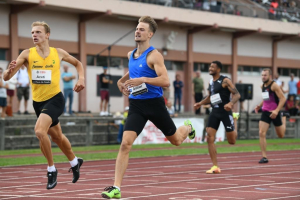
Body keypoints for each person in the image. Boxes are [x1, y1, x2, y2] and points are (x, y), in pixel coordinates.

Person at [101, 16, 195, 199]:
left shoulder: (155, 55)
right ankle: (116, 188)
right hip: (136, 105)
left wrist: (144, 79)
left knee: (176, 140)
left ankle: (188, 127)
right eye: (137, 28)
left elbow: (165, 81)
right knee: (125, 143)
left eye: (142, 29)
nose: (137, 31)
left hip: (155, 105)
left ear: (150, 34)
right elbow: (134, 70)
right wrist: (121, 82)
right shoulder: (131, 55)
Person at [3, 21, 85, 190]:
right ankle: (75, 161)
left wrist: (82, 78)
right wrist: (8, 71)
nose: (35, 35)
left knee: (40, 131)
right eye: (33, 32)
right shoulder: (26, 54)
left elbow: (78, 64)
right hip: (38, 103)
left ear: (47, 35)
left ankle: (51, 169)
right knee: (57, 137)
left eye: (38, 32)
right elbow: (6, 77)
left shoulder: (58, 52)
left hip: (55, 99)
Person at [194, 61, 240, 174]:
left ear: (218, 69)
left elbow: (237, 94)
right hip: (214, 111)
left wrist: (230, 104)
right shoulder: (211, 82)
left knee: (232, 141)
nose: (210, 68)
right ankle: (215, 166)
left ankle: (234, 119)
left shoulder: (225, 80)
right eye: (210, 66)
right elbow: (210, 97)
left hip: (225, 111)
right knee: (209, 136)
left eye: (213, 67)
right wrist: (200, 103)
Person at [255, 68, 287, 164]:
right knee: (261, 132)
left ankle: (284, 116)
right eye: (262, 75)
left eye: (265, 75)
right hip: (265, 112)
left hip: (275, 112)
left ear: (270, 76)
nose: (263, 77)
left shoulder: (274, 86)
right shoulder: (262, 85)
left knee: (281, 135)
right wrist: (259, 106)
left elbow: (283, 98)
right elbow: (266, 98)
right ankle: (264, 157)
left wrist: (277, 111)